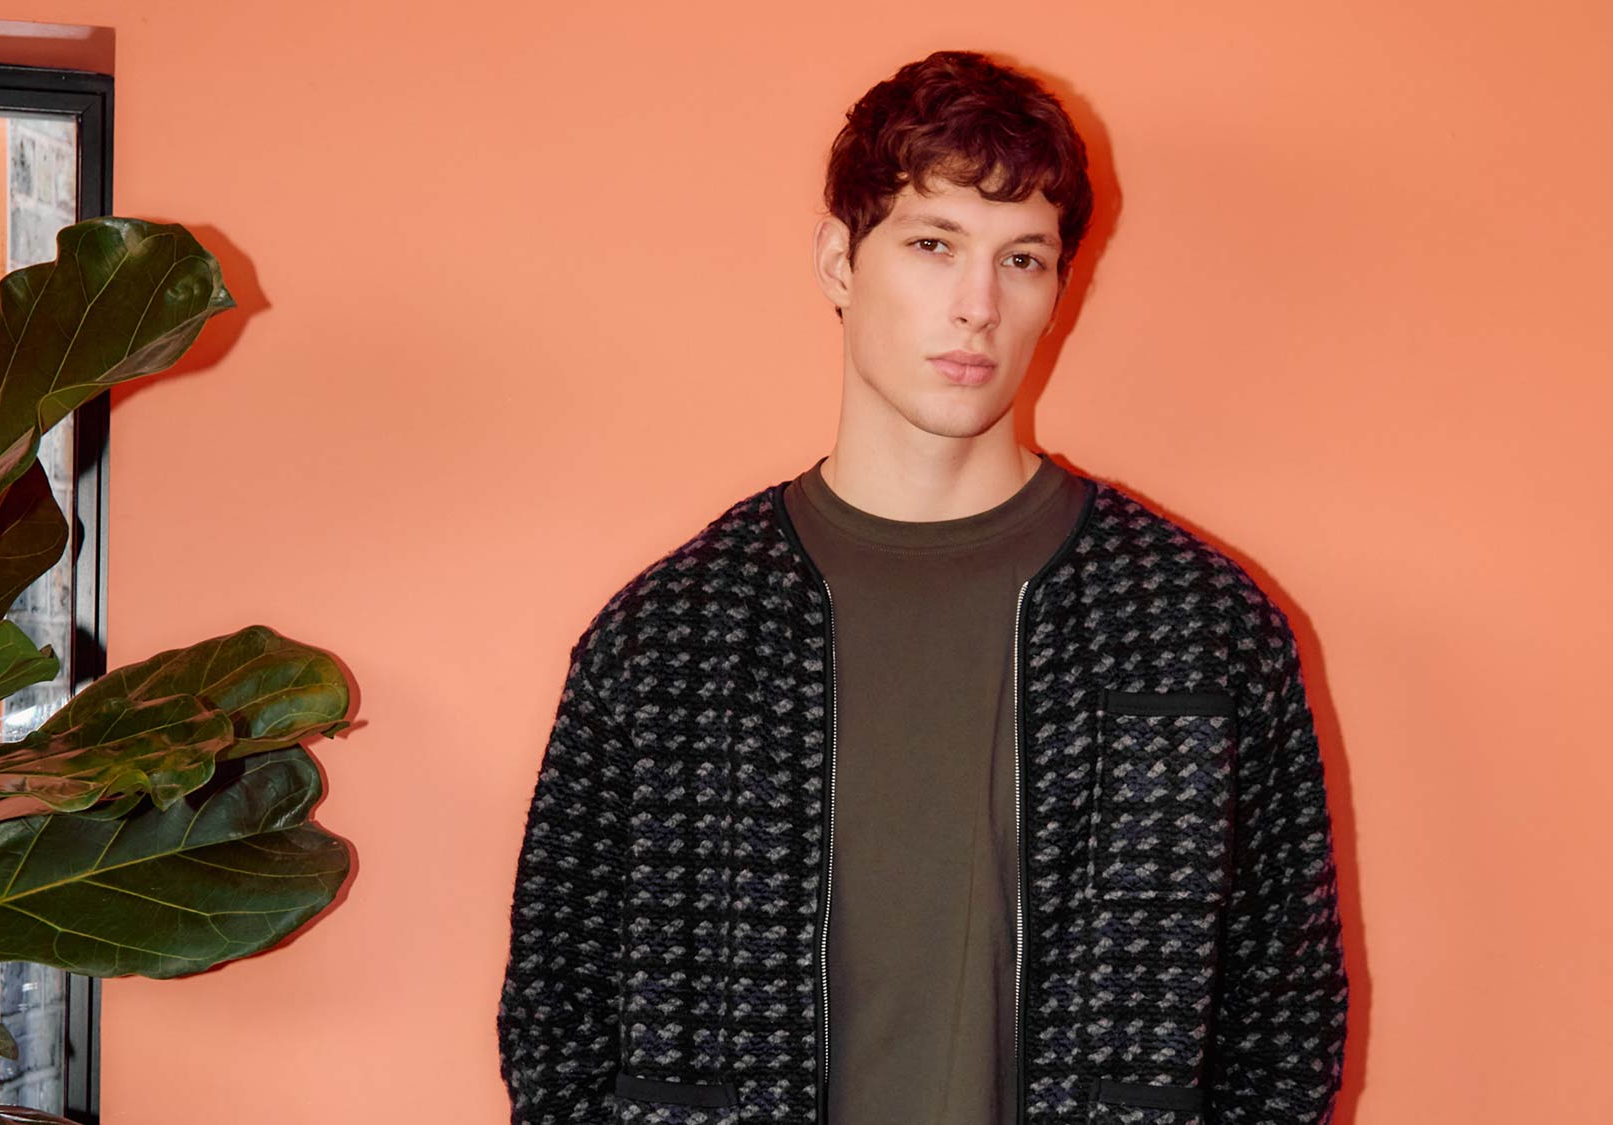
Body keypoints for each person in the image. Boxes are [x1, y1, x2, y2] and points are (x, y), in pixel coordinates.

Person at [498, 48, 1347, 1125]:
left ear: (1058, 290)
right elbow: (555, 1016)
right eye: (932, 244)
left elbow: (1284, 1017)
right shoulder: (674, 636)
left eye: (1023, 259)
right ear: (840, 263)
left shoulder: (1196, 627)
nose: (975, 307)